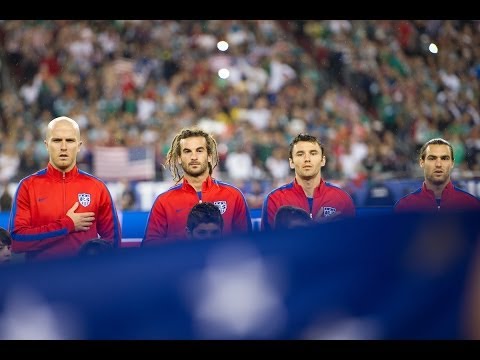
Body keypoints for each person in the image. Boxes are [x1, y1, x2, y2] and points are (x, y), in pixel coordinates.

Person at [8, 116, 122, 262]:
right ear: (46, 145)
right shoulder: (27, 186)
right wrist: (67, 224)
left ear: (79, 145)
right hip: (41, 281)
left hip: (85, 280)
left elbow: (114, 242)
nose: (63, 147)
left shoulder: (97, 188)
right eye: (56, 140)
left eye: (69, 140)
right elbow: (17, 241)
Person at [142, 128, 252, 246]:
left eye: (199, 151)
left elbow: (248, 244)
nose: (194, 157)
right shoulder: (163, 202)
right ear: (179, 158)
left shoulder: (233, 196)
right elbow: (149, 247)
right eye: (187, 151)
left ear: (209, 156)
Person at [261, 133, 356, 231]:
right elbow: (270, 244)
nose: (307, 159)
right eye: (300, 154)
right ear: (291, 162)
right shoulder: (274, 200)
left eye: (313, 153)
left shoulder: (342, 199)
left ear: (323, 160)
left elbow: (352, 243)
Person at [394, 138, 480, 213]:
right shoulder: (404, 207)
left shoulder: (472, 205)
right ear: (422, 162)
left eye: (444, 158)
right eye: (432, 158)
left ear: (452, 163)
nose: (438, 164)